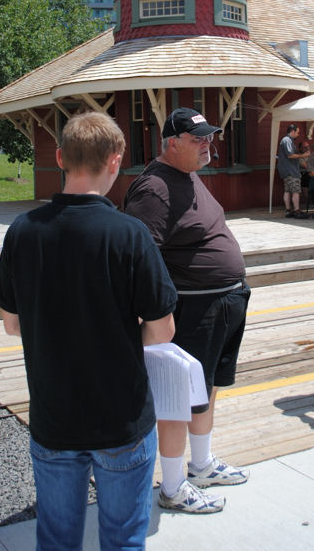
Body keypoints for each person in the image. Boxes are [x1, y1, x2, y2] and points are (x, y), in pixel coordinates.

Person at [0, 112, 177, 551]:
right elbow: (162, 329)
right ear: (115, 161)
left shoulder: (21, 232)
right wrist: (118, 339)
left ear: (60, 158)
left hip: (53, 417)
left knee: (56, 540)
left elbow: (12, 324)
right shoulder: (130, 234)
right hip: (121, 419)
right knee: (123, 540)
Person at [124, 107, 250, 514]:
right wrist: (154, 316)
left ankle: (202, 465)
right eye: (198, 139)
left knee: (205, 389)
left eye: (210, 137)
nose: (208, 145)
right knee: (178, 398)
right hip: (192, 309)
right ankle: (173, 486)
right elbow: (140, 258)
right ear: (172, 143)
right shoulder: (154, 188)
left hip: (223, 301)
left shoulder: (188, 175)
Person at [277, 124, 310, 218]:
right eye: (297, 132)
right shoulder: (287, 140)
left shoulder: (286, 140)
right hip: (291, 170)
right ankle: (297, 211)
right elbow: (290, 155)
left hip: (286, 170)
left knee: (287, 190)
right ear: (292, 131)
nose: (298, 134)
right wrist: (303, 155)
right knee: (295, 191)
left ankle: (288, 211)